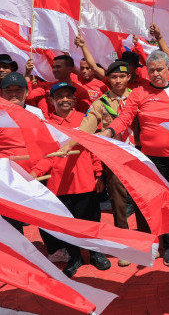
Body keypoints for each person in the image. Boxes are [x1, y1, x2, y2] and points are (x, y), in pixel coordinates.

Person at [97, 49, 169, 267]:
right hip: (154, 160)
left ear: (168, 69)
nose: (155, 74)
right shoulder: (138, 93)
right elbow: (124, 118)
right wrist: (108, 132)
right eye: (151, 70)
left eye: (160, 69)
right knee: (163, 202)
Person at [30, 83, 111, 277]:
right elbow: (46, 155)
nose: (64, 99)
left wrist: (99, 174)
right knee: (68, 225)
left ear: (73, 99)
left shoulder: (84, 119)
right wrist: (35, 173)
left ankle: (95, 253)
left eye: (68, 96)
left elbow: (94, 148)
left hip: (85, 182)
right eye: (60, 96)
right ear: (52, 100)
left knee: (92, 221)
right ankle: (75, 257)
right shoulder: (46, 125)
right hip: (60, 186)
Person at [74, 61, 147, 267]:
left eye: (121, 77)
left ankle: (145, 241)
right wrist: (72, 141)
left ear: (128, 78)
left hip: (139, 155)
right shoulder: (101, 102)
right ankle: (124, 246)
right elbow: (87, 126)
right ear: (108, 79)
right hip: (114, 158)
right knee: (118, 203)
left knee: (142, 200)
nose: (118, 81)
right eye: (113, 77)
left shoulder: (139, 97)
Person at [26, 54, 91, 115]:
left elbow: (85, 116)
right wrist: (27, 74)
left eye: (58, 67)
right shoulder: (46, 87)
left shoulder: (81, 92)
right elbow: (29, 97)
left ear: (69, 69)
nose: (54, 70)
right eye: (53, 67)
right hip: (51, 125)